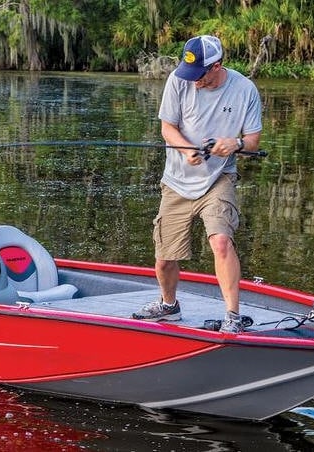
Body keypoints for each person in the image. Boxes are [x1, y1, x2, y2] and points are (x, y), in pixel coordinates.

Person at [132, 35, 263, 333]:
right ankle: (169, 306)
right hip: (176, 181)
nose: (194, 81)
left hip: (219, 178)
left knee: (220, 241)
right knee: (165, 260)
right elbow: (168, 127)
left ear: (216, 66)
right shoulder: (179, 80)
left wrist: (235, 144)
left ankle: (232, 316)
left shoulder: (245, 90)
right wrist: (186, 149)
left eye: (200, 75)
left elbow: (253, 143)